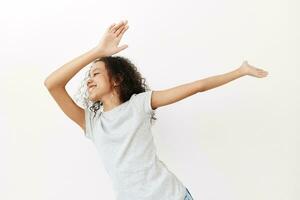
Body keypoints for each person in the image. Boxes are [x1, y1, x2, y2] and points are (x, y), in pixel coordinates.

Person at [44, 20, 269, 200]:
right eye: (89, 76)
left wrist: (240, 71)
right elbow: (52, 84)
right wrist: (97, 51)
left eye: (96, 73)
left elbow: (197, 87)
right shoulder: (92, 123)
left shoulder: (139, 104)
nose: (89, 80)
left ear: (116, 79)